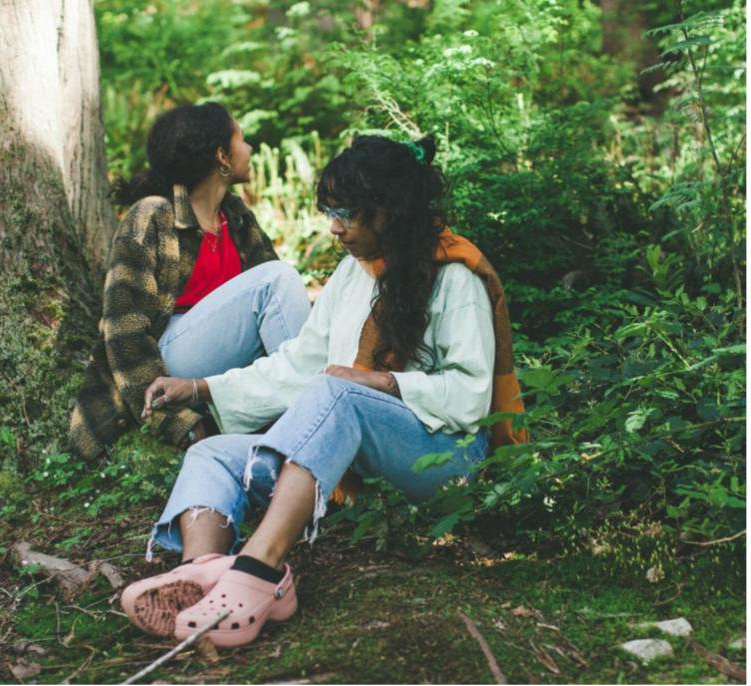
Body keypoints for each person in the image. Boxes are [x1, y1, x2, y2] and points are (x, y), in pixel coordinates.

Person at [116, 134, 528, 647]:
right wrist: (199, 387)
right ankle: (204, 574)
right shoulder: (352, 274)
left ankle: (261, 571)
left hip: (443, 460)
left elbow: (470, 396)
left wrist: (378, 381)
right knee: (213, 454)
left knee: (338, 391)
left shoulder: (454, 276)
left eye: (346, 213)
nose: (334, 228)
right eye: (330, 211)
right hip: (355, 459)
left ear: (389, 210)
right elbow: (296, 367)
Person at [69, 102, 310, 458]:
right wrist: (172, 420)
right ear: (221, 156)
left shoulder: (235, 216)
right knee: (276, 280)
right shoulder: (153, 216)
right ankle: (317, 416)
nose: (251, 149)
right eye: (241, 139)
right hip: (165, 361)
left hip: (217, 362)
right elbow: (124, 329)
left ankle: (298, 423)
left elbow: (276, 316)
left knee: (276, 285)